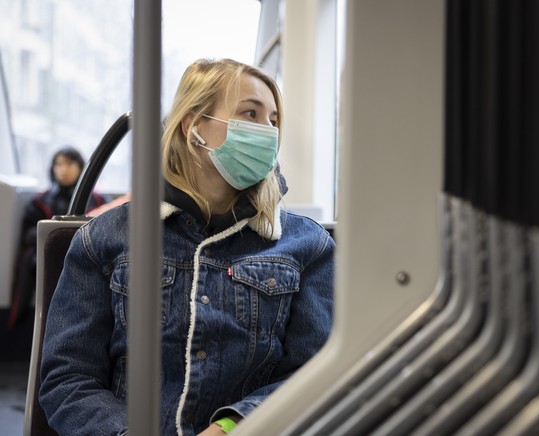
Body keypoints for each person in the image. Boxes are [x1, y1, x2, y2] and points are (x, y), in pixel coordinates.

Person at [39, 58, 335, 435]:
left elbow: (315, 374)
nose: (268, 132)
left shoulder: (308, 246)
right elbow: (67, 377)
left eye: (274, 120)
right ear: (193, 126)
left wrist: (234, 426)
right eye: (250, 113)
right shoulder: (107, 238)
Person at [8, 146, 109, 328]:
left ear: (80, 167)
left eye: (69, 164)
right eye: (59, 164)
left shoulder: (101, 201)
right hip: (47, 254)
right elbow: (29, 235)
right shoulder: (39, 201)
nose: (63, 169)